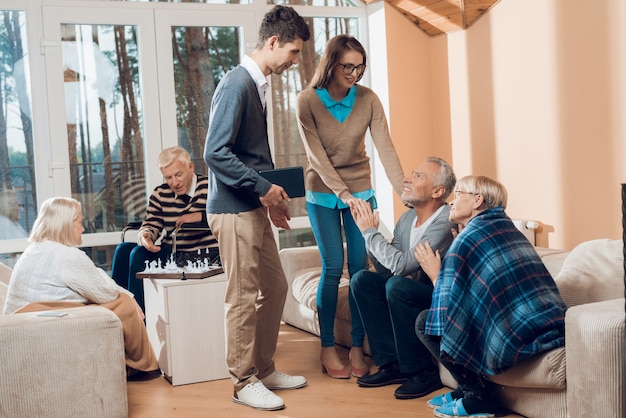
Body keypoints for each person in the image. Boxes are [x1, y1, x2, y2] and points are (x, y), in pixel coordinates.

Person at [203, 5, 310, 411]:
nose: (295, 61)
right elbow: (215, 153)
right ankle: (242, 381)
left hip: (251, 208)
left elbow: (249, 156)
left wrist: (271, 200)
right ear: (272, 42)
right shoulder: (236, 84)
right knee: (243, 297)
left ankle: (262, 368)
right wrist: (263, 188)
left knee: (276, 286)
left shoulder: (258, 84)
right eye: (294, 52)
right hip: (232, 211)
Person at [295, 34, 405, 380]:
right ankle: (328, 345)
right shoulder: (306, 101)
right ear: (331, 63)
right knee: (331, 267)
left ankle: (357, 345)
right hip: (324, 192)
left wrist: (405, 190)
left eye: (360, 66)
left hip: (361, 189)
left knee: (359, 269)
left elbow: (385, 146)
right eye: (348, 65)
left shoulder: (369, 100)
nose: (354, 72)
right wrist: (344, 195)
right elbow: (317, 158)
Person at [414, 175, 566, 418]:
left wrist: (434, 274)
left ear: (477, 200)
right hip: (551, 325)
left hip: (518, 333)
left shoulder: (470, 237)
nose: (451, 202)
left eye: (459, 194)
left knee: (424, 323)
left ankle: (478, 397)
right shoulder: (506, 230)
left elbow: (446, 310)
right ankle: (466, 390)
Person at [2, 197, 161, 381]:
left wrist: (98, 275)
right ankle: (143, 365)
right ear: (66, 225)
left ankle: (130, 362)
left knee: (117, 298)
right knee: (123, 303)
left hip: (20, 325)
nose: (83, 228)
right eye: (79, 222)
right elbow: (107, 292)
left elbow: (89, 280)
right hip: (42, 326)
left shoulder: (34, 249)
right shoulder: (68, 256)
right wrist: (127, 295)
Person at [349, 157, 457, 400]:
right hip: (407, 291)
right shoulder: (407, 219)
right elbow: (388, 270)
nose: (407, 179)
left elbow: (402, 265)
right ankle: (391, 364)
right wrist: (369, 237)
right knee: (363, 280)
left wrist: (370, 233)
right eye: (411, 173)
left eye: (418, 176)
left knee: (397, 286)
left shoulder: (445, 219)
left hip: (439, 297)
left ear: (438, 191)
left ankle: (422, 370)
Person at [111, 145, 218, 311]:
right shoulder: (160, 194)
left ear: (191, 167)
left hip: (200, 255)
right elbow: (152, 222)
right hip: (172, 252)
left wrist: (201, 217)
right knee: (123, 249)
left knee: (137, 255)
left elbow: (227, 217)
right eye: (168, 178)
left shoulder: (211, 187)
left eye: (178, 174)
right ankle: (119, 312)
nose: (174, 183)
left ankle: (139, 320)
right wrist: (145, 235)